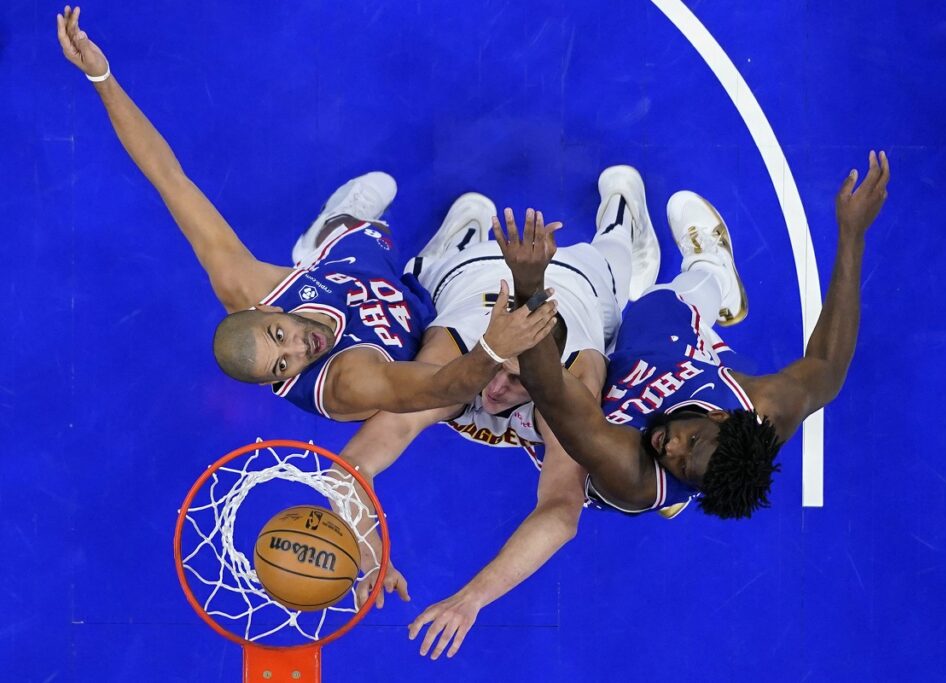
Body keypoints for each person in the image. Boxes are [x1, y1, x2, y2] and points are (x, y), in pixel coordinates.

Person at [55, 6, 558, 421]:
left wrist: (101, 76)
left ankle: (330, 231)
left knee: (365, 234)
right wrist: (492, 349)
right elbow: (438, 389)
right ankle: (438, 267)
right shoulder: (346, 382)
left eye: (281, 336)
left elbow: (169, 178)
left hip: (350, 271)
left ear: (265, 308)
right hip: (411, 333)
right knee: (449, 318)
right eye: (283, 365)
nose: (300, 349)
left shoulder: (243, 282)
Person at [332, 168, 660, 659]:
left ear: (548, 381)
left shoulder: (571, 397)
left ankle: (620, 215)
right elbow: (351, 469)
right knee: (417, 287)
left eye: (520, 380)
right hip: (467, 274)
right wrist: (369, 552)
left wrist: (472, 599)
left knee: (618, 272)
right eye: (498, 370)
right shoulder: (450, 371)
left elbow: (560, 512)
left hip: (582, 281)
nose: (497, 389)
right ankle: (457, 236)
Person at [497, 152, 890, 518]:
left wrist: (528, 285)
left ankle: (671, 496)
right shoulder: (768, 404)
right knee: (655, 303)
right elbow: (828, 366)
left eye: (681, 466)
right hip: (669, 361)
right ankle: (714, 271)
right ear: (721, 415)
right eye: (692, 443)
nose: (670, 448)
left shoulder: (631, 473)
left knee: (523, 376)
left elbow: (554, 395)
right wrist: (853, 234)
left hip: (591, 425)